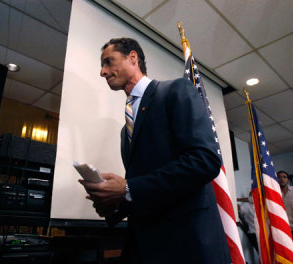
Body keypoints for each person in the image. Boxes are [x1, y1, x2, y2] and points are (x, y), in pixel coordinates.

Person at [79, 38, 231, 264]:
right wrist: (114, 203)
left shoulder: (176, 90)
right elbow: (146, 188)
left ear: (133, 57)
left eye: (109, 62)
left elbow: (205, 160)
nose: (103, 72)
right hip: (143, 247)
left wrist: (128, 187)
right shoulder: (125, 131)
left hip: (186, 246)